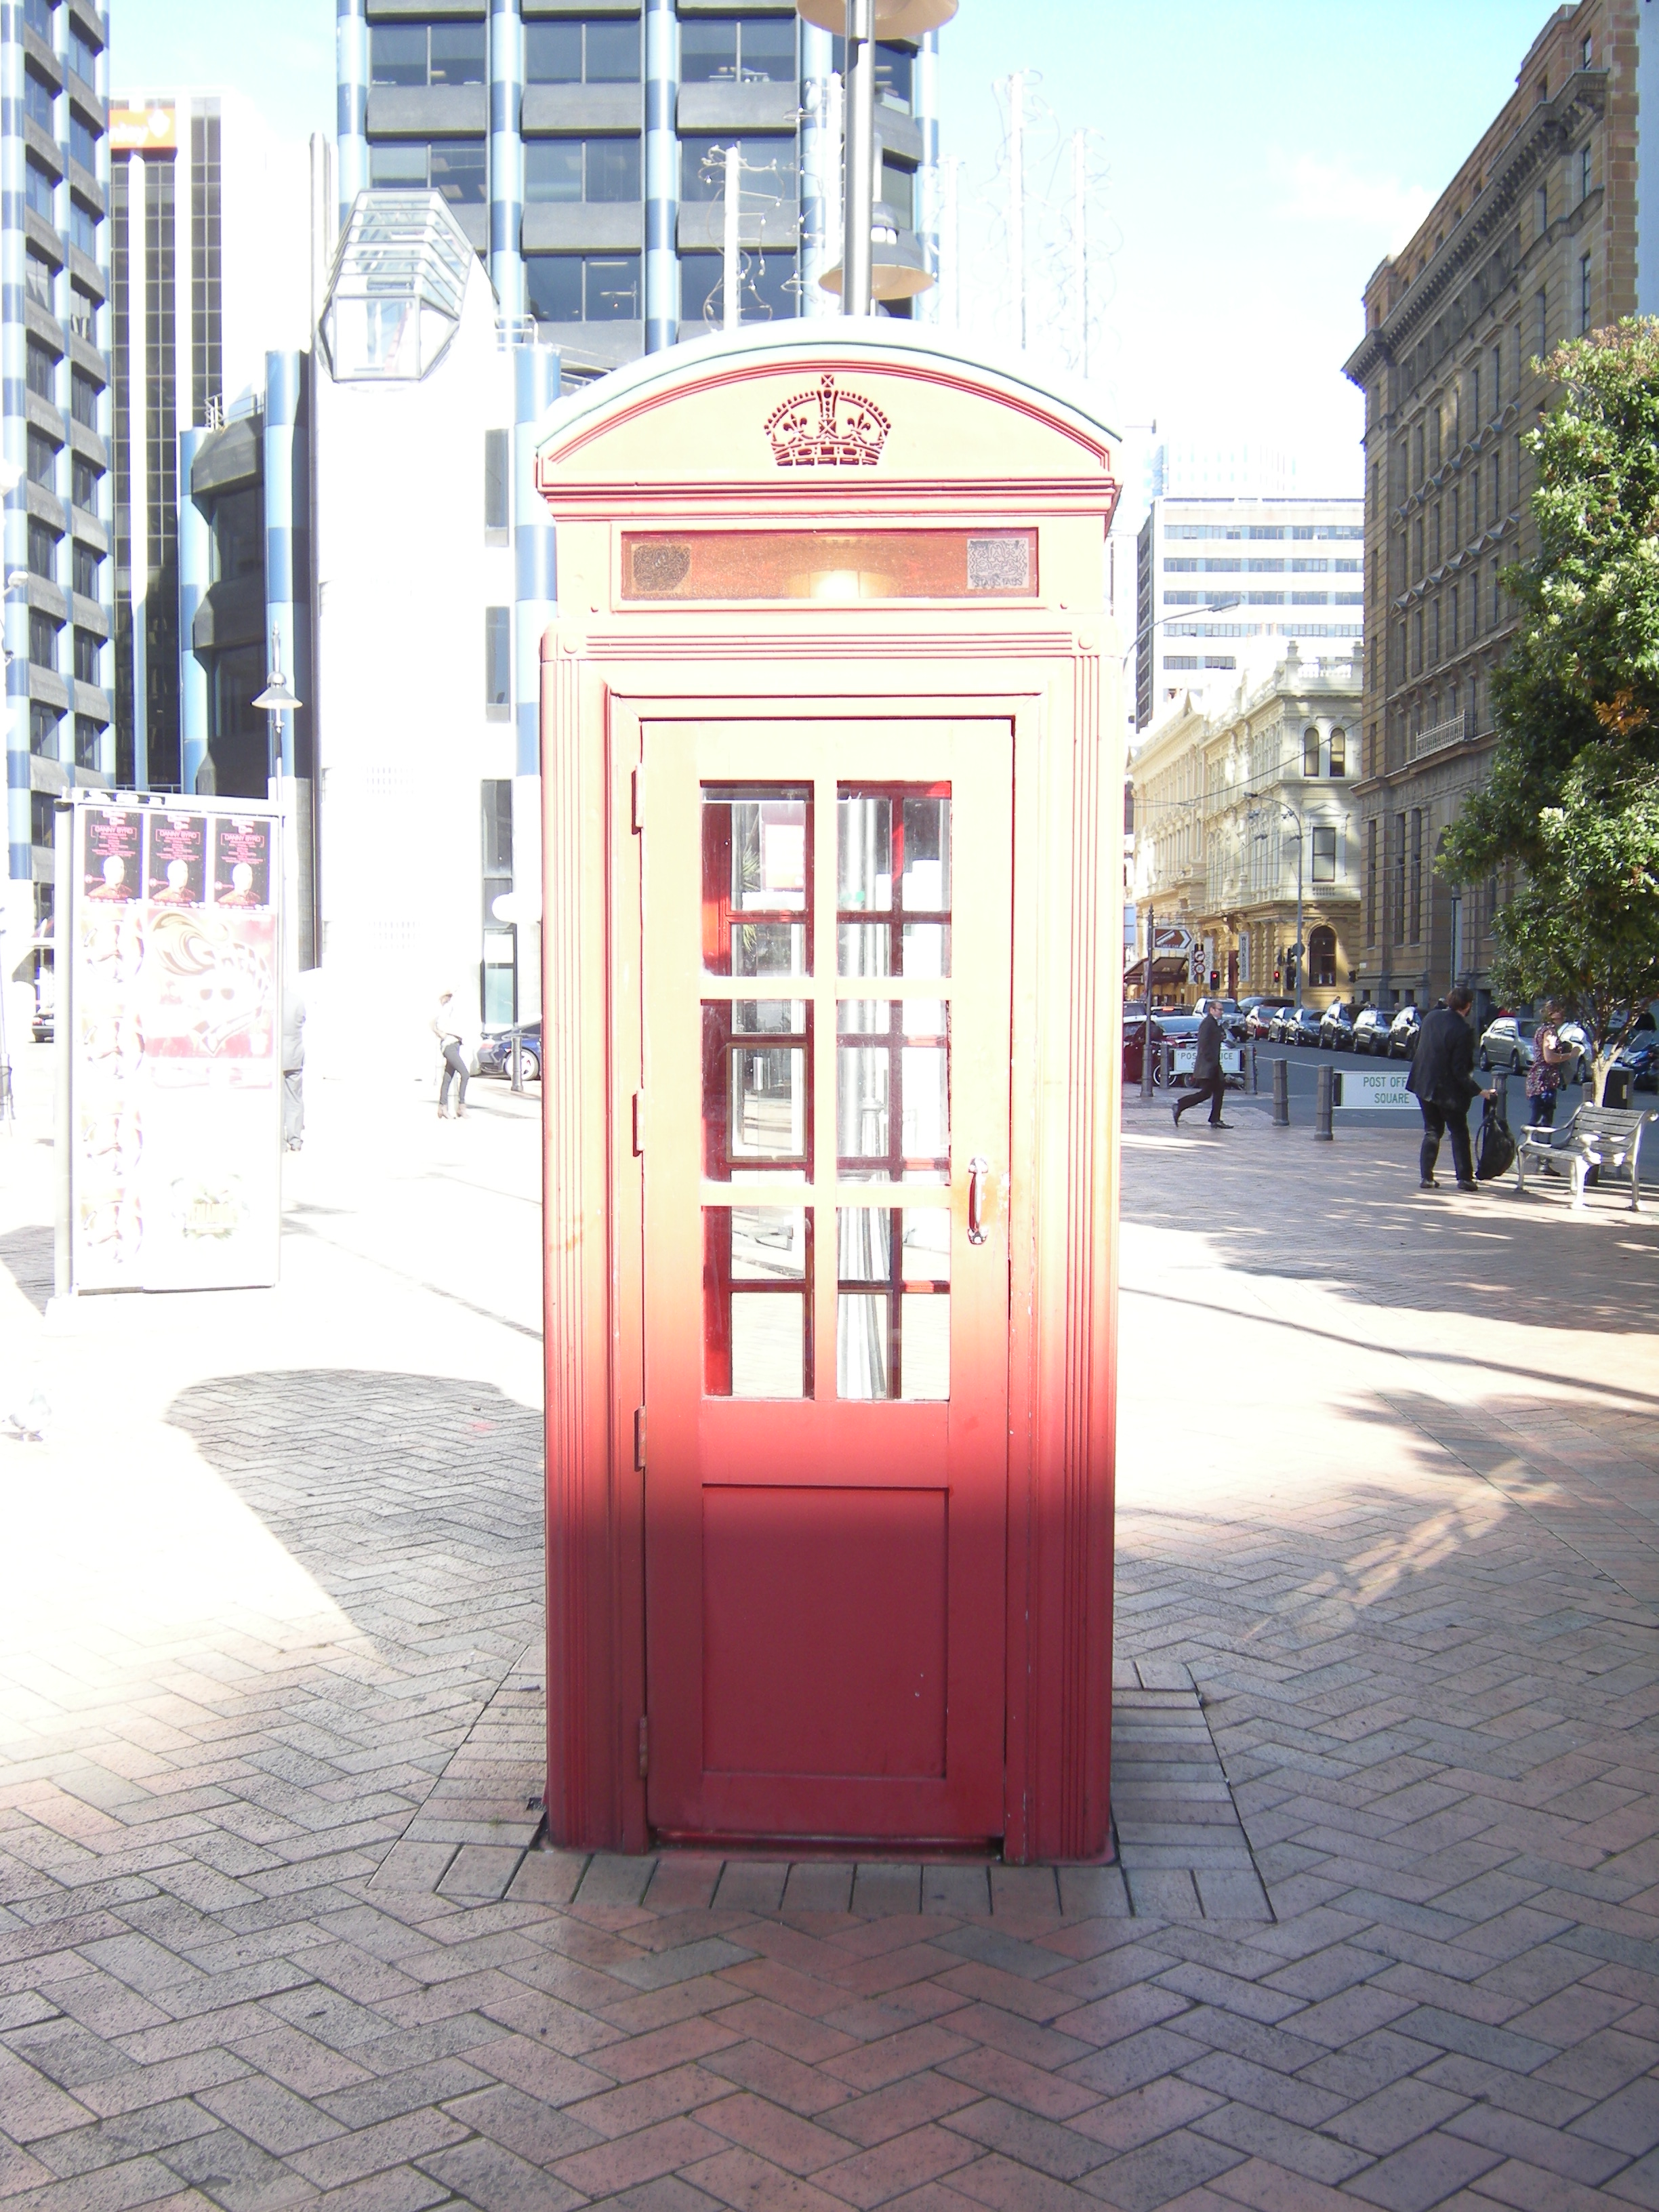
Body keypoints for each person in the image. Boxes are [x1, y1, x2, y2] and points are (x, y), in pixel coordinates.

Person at [1406, 983, 1493, 1191]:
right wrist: (1480, 1091)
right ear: (1468, 1006)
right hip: (1447, 1090)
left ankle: (1426, 1177)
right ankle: (1464, 1178)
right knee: (1459, 1132)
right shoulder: (1464, 1030)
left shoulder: (1431, 1018)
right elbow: (1459, 1070)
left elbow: (1420, 1046)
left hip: (1423, 1083)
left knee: (1432, 1131)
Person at [1171, 996, 1232, 1130]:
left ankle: (1215, 1119)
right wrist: (1211, 1061)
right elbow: (1203, 1043)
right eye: (1219, 1009)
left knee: (1219, 1090)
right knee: (1206, 1093)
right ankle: (1180, 1105)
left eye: (1222, 1010)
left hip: (1213, 1064)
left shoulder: (1214, 1023)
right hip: (1208, 1065)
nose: (1222, 1012)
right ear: (1212, 1010)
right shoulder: (1207, 1023)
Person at [1525, 999, 1572, 1130]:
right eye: (1559, 1011)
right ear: (1552, 1014)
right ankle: (1530, 1145)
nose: (1563, 1014)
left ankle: (1529, 1145)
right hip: (1544, 1081)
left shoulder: (1542, 1029)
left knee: (1538, 1118)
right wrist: (1570, 1055)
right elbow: (1549, 1057)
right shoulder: (1549, 1032)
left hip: (1539, 1079)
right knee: (1542, 1120)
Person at [432, 990, 470, 1120]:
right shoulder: (446, 1009)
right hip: (450, 1046)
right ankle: (461, 1106)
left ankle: (442, 1107)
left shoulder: (452, 1009)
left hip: (454, 1045)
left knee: (448, 1077)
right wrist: (441, 1033)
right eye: (448, 996)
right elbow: (433, 1023)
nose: (450, 997)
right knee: (465, 1074)